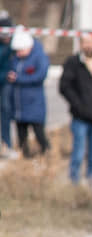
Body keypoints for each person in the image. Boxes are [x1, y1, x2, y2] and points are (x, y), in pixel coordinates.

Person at [59, 31, 92, 187]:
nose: (88, 45)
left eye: (91, 42)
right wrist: (78, 106)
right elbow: (65, 87)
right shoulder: (73, 62)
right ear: (80, 44)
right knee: (78, 153)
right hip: (80, 117)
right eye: (85, 42)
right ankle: (74, 183)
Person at [8, 27, 49, 157]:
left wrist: (19, 79)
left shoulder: (39, 57)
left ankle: (46, 155)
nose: (18, 53)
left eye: (21, 50)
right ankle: (25, 158)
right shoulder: (15, 59)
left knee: (39, 133)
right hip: (19, 104)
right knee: (21, 136)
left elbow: (40, 76)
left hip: (34, 103)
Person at [0, 13, 15, 158]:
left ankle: (7, 144)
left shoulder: (13, 43)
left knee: (6, 111)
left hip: (6, 84)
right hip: (3, 78)